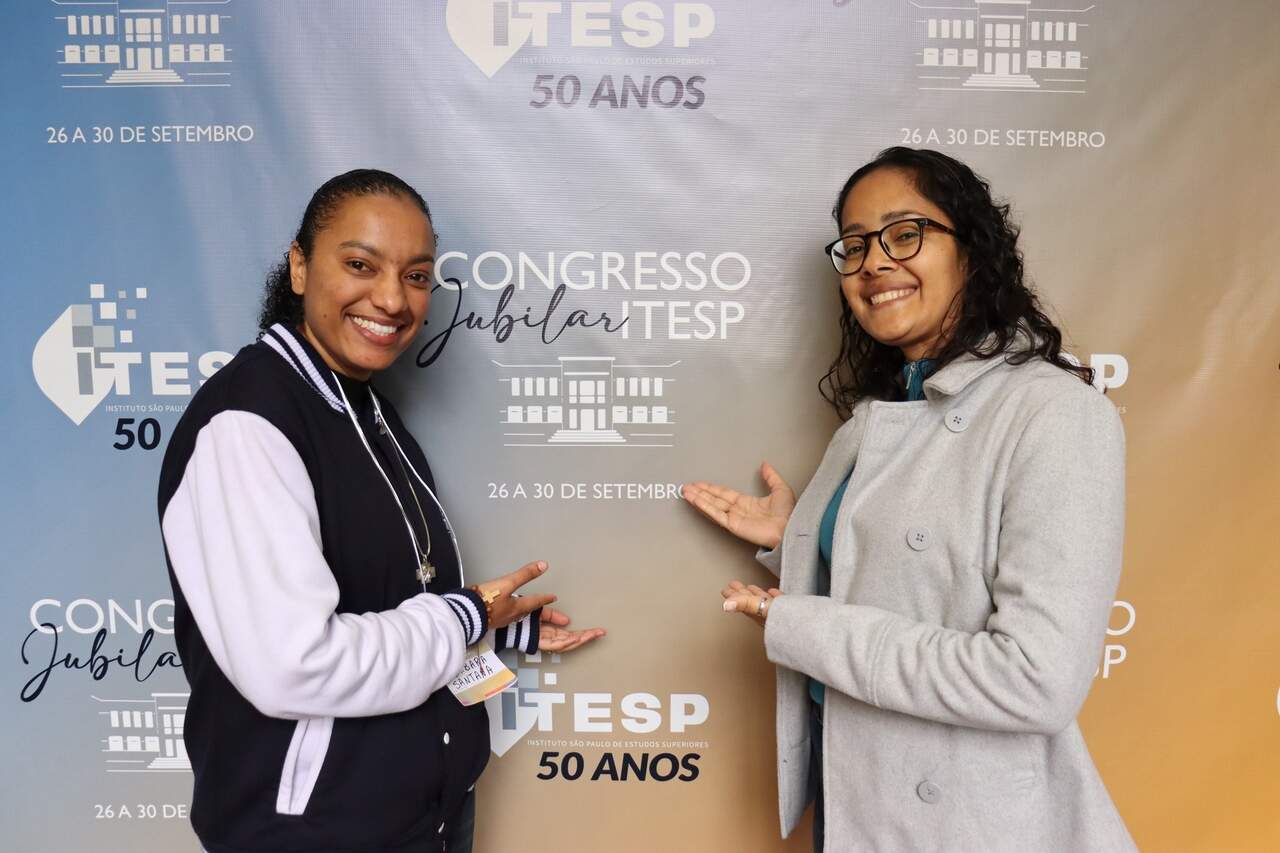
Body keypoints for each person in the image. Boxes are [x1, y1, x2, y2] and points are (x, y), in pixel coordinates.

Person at [682, 148, 1135, 852]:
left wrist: (795, 620)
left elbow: (1034, 680)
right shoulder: (875, 418)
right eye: (855, 245)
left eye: (905, 234)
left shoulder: (1055, 414)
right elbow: (912, 580)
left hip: (970, 825)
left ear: (971, 251)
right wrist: (804, 538)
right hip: (855, 797)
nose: (874, 263)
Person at [157, 169, 604, 853]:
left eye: (416, 275)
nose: (393, 299)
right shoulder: (247, 423)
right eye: (361, 265)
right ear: (300, 267)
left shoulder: (367, 410)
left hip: (421, 817)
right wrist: (464, 616)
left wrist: (489, 628)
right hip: (314, 834)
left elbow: (390, 598)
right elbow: (295, 663)